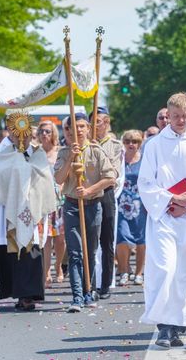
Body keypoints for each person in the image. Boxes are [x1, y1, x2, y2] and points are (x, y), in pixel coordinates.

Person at [138, 92, 186, 350]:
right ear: (167, 116)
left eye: (184, 116)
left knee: (185, 273)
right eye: (176, 116)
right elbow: (145, 182)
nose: (181, 121)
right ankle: (163, 326)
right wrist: (171, 199)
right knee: (165, 268)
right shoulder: (155, 145)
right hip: (164, 218)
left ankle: (176, 326)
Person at [0, 112, 57, 311]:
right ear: (10, 131)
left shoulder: (38, 153)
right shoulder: (1, 153)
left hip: (32, 208)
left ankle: (29, 295)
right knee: (12, 251)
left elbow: (45, 178)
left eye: (25, 133)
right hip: (9, 208)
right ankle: (18, 293)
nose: (21, 137)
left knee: (30, 252)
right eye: (16, 132)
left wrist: (27, 169)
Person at [54, 113, 116, 312]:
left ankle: (89, 291)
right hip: (72, 206)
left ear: (88, 128)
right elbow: (58, 178)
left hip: (93, 205)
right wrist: (70, 158)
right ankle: (77, 296)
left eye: (82, 126)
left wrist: (89, 190)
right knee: (75, 252)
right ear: (69, 130)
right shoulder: (64, 152)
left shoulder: (96, 151)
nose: (79, 130)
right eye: (75, 126)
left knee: (90, 251)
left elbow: (110, 178)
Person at [91, 107, 123, 300]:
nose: (94, 126)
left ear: (107, 123)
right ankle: (90, 283)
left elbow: (113, 172)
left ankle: (105, 284)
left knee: (106, 240)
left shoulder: (115, 146)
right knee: (90, 241)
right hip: (88, 193)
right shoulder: (84, 144)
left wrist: (98, 150)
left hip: (106, 194)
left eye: (98, 121)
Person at [37, 121, 66, 287]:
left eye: (48, 131)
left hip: (59, 200)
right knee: (46, 238)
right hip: (42, 200)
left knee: (60, 239)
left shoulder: (60, 151)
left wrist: (61, 186)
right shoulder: (36, 152)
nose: (44, 134)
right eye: (41, 131)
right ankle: (46, 271)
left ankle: (58, 265)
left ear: (53, 133)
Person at [116, 130, 146, 286]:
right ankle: (124, 270)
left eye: (134, 141)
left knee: (141, 238)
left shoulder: (144, 160)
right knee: (121, 236)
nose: (131, 144)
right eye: (127, 142)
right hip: (122, 203)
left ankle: (139, 273)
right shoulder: (119, 159)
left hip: (140, 204)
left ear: (139, 144)